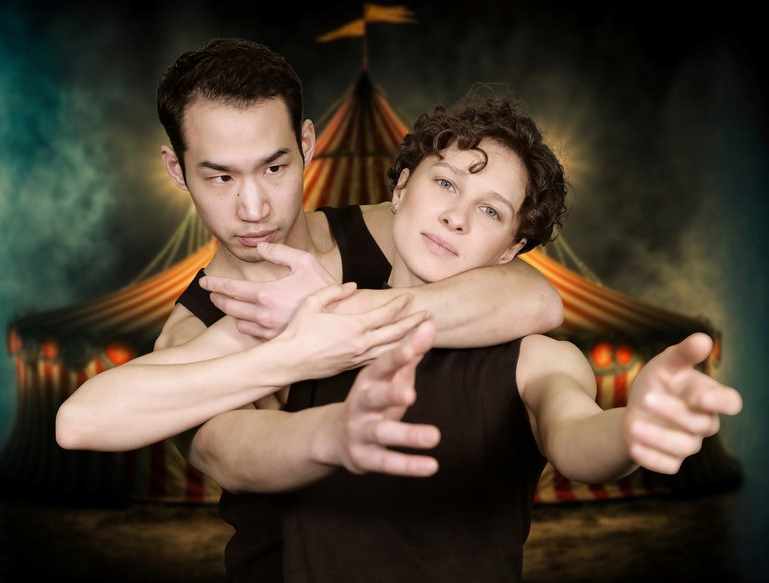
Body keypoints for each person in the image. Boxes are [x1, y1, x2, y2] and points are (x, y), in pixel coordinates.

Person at [200, 94, 743, 582]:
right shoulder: (303, 320)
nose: (456, 217)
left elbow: (576, 436)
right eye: (446, 183)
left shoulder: (536, 359)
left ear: (511, 249)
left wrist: (629, 430)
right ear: (401, 187)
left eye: (490, 210)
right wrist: (333, 434)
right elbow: (224, 449)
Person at [56, 37, 562, 451]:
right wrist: (299, 353)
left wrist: (340, 314)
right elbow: (224, 456)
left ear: (306, 144)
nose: (253, 208)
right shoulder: (194, 332)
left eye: (274, 168)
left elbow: (535, 298)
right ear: (176, 169)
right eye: (221, 178)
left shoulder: (390, 229)